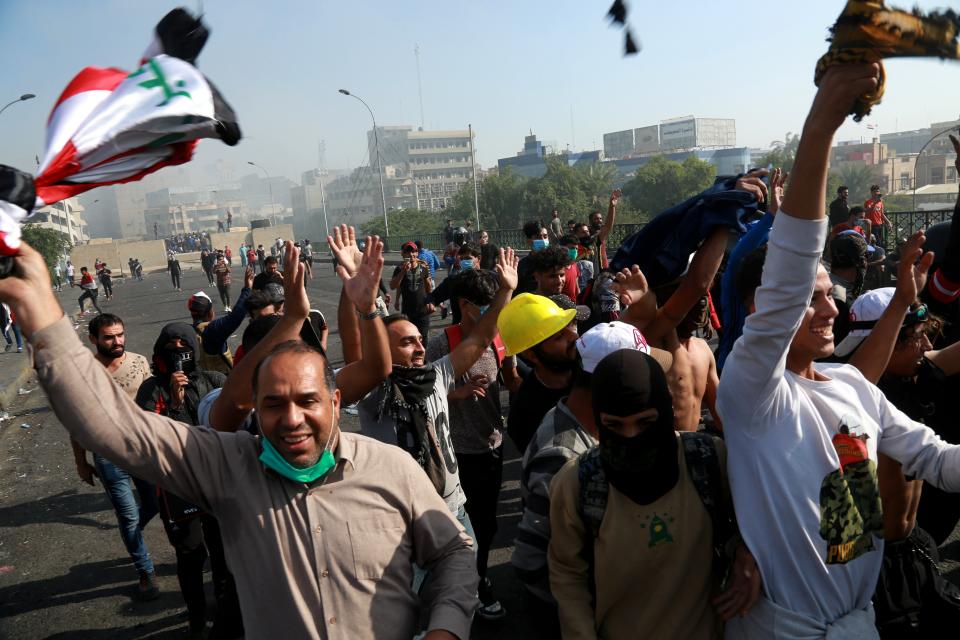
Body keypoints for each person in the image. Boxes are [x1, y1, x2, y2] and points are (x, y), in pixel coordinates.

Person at [720, 62, 960, 637]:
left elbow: (938, 461)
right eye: (812, 298)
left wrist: (904, 301)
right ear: (763, 310)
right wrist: (823, 123)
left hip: (861, 623)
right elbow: (792, 265)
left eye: (834, 295)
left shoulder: (853, 388)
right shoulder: (754, 395)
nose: (831, 309)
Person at [549, 349, 757, 639]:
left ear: (666, 410)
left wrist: (749, 556)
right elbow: (567, 575)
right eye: (615, 425)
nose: (631, 436)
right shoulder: (576, 484)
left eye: (645, 422)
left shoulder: (709, 460)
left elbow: (760, 525)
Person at [512, 320, 665, 630]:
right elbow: (531, 562)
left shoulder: (592, 426)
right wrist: (587, 614)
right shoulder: (562, 457)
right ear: (609, 386)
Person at [135, 323, 242, 639]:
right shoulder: (151, 389)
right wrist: (174, 403)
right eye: (172, 347)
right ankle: (196, 616)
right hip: (178, 489)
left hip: (217, 482)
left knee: (224, 551)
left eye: (184, 346)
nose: (179, 352)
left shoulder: (212, 381)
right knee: (191, 554)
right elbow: (151, 438)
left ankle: (227, 613)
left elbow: (230, 420)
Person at [425, 268, 517, 620]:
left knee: (487, 522)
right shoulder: (442, 343)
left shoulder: (498, 339)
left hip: (492, 444)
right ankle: (474, 586)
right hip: (455, 451)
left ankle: (472, 579)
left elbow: (510, 382)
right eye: (487, 304)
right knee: (463, 526)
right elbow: (422, 397)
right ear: (465, 306)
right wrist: (456, 393)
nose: (494, 311)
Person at [69, 314, 159, 602]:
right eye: (109, 337)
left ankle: (132, 535)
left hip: (144, 449)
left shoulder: (140, 362)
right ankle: (145, 570)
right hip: (108, 455)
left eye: (120, 335)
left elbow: (154, 404)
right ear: (93, 339)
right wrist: (81, 461)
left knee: (153, 505)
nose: (117, 341)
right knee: (128, 515)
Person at [499, 294, 580, 455]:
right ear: (532, 355)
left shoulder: (593, 371)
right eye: (559, 336)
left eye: (569, 327)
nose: (574, 337)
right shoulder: (525, 415)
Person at [187, 268, 254, 376]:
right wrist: (247, 289)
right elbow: (236, 315)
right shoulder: (213, 330)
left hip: (200, 384)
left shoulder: (187, 333)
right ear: (210, 312)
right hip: (221, 383)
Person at [390, 241, 434, 340]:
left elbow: (428, 284)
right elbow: (394, 286)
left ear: (417, 252)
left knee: (424, 338)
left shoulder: (423, 266)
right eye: (407, 252)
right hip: (407, 311)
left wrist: (430, 301)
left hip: (422, 311)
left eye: (413, 251)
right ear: (403, 254)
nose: (411, 254)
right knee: (409, 338)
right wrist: (402, 272)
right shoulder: (399, 268)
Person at [516, 221, 551, 295]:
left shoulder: (554, 262)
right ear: (529, 241)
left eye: (545, 237)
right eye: (538, 237)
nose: (543, 241)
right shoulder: (522, 266)